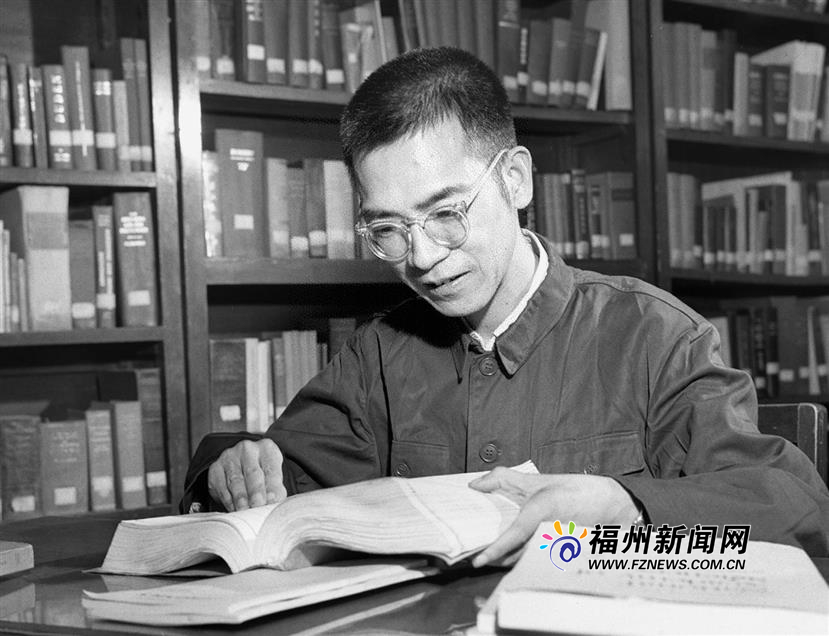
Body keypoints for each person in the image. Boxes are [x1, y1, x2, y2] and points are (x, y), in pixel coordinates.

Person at [182, 47, 829, 560]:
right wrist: (229, 467)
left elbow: (796, 511)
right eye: (388, 228)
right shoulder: (380, 354)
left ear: (515, 179)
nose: (422, 257)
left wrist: (627, 508)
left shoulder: (654, 336)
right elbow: (277, 471)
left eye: (445, 213)